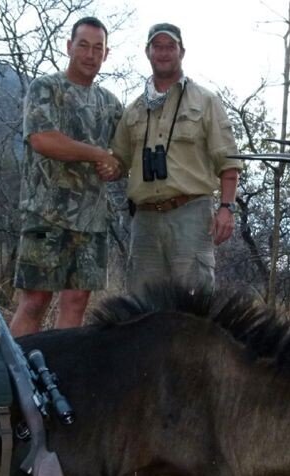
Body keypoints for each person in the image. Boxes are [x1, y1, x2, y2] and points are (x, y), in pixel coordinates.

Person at [10, 16, 123, 336]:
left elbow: (121, 158)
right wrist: (99, 154)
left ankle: (56, 376)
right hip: (45, 215)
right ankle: (13, 377)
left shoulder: (111, 104)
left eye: (97, 48)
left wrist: (115, 166)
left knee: (76, 301)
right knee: (35, 300)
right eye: (83, 45)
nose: (90, 54)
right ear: (69, 46)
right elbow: (42, 139)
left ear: (106, 54)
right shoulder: (46, 88)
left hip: (92, 221)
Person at [111, 22, 241, 295]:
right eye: (157, 46)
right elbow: (118, 162)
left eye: (170, 46)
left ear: (182, 52)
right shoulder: (133, 109)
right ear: (148, 52)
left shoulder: (205, 101)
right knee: (141, 308)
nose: (164, 52)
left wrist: (226, 208)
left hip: (190, 215)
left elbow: (227, 159)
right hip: (144, 219)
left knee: (193, 307)